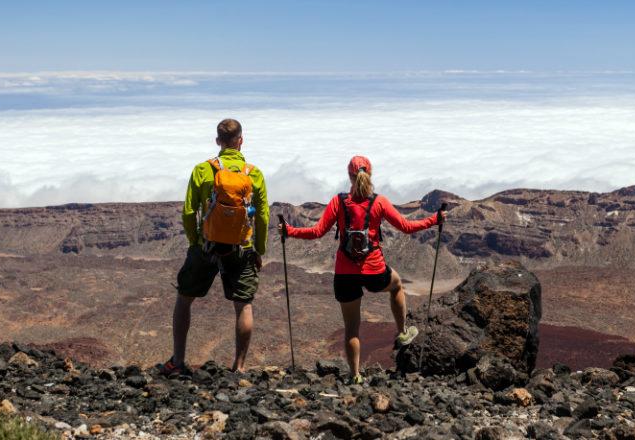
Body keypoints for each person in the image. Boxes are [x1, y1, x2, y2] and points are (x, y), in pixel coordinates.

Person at [279, 156, 443, 384]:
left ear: (349, 176)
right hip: (374, 270)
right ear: (371, 174)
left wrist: (289, 230)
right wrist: (434, 219)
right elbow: (406, 227)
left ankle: (355, 375)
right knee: (396, 285)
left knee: (351, 329)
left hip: (345, 273)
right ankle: (403, 332)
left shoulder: (338, 202)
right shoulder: (379, 202)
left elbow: (317, 232)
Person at [158, 118, 270, 375]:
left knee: (184, 299)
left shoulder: (202, 170)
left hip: (205, 246)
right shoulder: (254, 174)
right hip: (241, 249)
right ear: (241, 140)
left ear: (218, 141)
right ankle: (239, 368)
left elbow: (188, 212)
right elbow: (262, 216)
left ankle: (178, 360)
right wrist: (258, 250)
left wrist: (195, 242)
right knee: (243, 304)